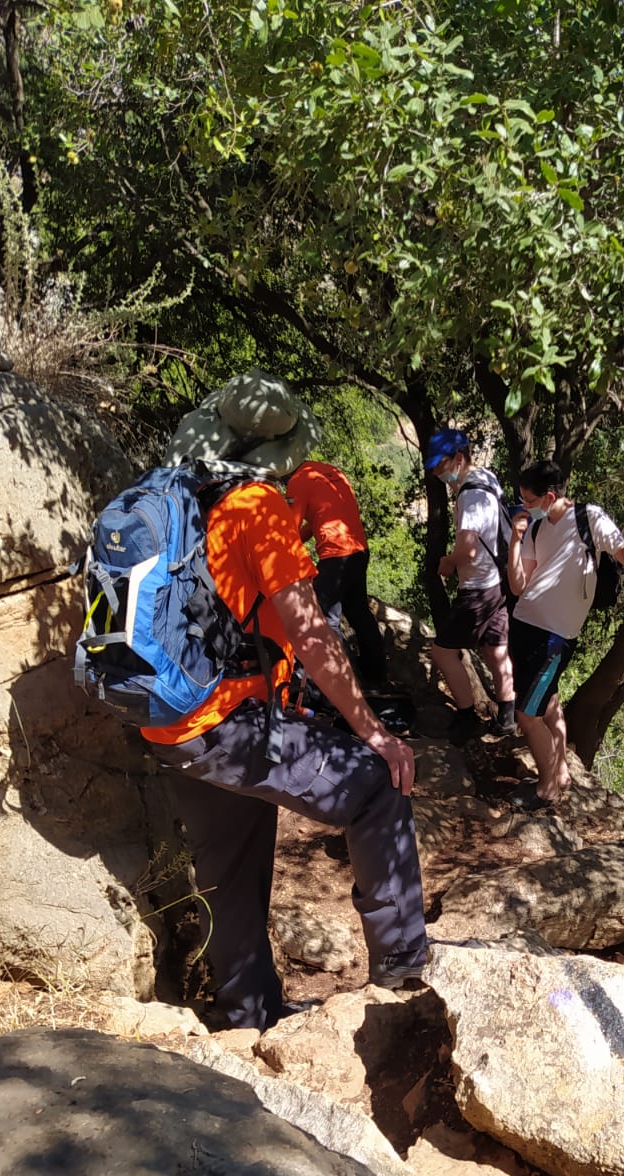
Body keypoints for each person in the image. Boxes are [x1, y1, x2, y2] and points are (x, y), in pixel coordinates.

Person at [146, 377, 427, 1031]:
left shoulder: (162, 495)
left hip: (168, 723)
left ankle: (249, 1019)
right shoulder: (255, 506)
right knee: (379, 787)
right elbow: (312, 631)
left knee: (234, 867)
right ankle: (403, 978)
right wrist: (374, 732)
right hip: (229, 724)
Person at [507, 459, 624, 810]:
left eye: (529, 501)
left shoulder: (588, 518)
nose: (525, 507)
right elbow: (519, 584)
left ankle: (547, 787)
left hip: (555, 637)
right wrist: (515, 541)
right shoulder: (535, 529)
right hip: (524, 625)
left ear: (550, 496)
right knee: (547, 703)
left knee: (526, 715)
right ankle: (561, 771)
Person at [422, 427, 516, 743]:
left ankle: (467, 718)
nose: (438, 473)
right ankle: (506, 717)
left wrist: (448, 562)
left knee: (442, 653)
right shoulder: (487, 479)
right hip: (500, 583)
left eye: (441, 466)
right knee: (495, 649)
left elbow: (469, 550)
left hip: (478, 588)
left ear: (459, 458)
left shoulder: (470, 495)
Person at [284, 458, 386, 687]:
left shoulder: (299, 481)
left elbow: (289, 531)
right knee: (359, 614)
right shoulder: (330, 471)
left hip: (336, 556)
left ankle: (345, 682)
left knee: (320, 618)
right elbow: (316, 521)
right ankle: (376, 677)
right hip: (359, 551)